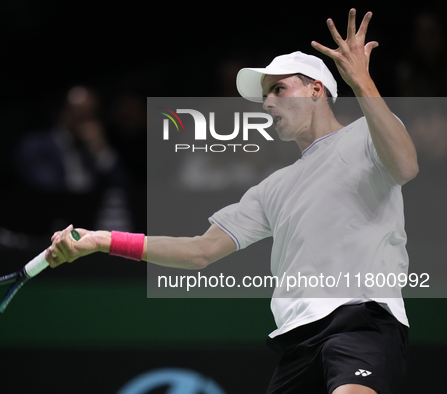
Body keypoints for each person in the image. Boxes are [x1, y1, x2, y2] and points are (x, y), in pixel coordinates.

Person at [45, 9, 418, 394]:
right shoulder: (273, 188)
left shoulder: (367, 136)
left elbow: (405, 166)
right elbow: (199, 251)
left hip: (363, 321)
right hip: (297, 341)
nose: (267, 103)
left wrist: (362, 82)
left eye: (278, 89)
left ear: (316, 90)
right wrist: (101, 240)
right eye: (264, 96)